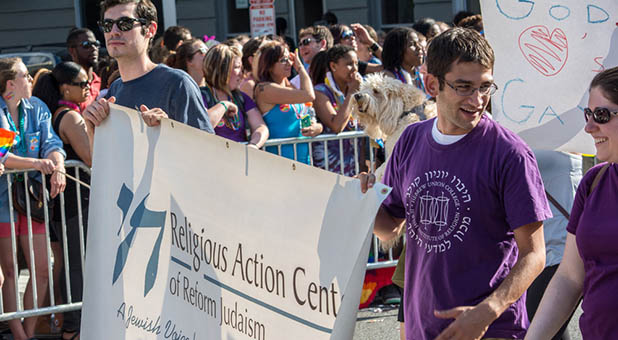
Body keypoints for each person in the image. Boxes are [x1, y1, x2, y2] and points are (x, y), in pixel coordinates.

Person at [358, 27, 551, 340]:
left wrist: (488, 310)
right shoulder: (410, 140)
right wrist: (364, 202)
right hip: (424, 328)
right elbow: (390, 226)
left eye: (485, 87)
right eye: (464, 87)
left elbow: (534, 255)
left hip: (492, 329)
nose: (478, 100)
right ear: (433, 83)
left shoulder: (510, 153)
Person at [525, 66, 618, 340]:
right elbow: (569, 278)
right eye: (587, 114)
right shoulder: (594, 182)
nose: (589, 127)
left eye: (601, 115)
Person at [83, 0, 214, 146]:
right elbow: (108, 162)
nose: (114, 31)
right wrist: (92, 130)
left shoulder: (177, 83)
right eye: (107, 25)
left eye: (125, 23)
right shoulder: (115, 89)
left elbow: (205, 151)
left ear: (150, 29)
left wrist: (168, 131)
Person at [0, 57, 66, 340]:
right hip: (3, 200)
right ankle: (19, 334)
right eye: (26, 75)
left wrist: (58, 165)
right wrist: (37, 164)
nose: (31, 80)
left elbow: (52, 143)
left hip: (32, 198)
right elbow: (3, 155)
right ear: (10, 84)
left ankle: (27, 333)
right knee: (10, 272)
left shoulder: (37, 107)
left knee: (41, 269)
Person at [32, 61, 91, 340]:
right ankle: (72, 327)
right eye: (82, 83)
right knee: (77, 265)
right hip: (76, 201)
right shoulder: (69, 117)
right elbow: (91, 157)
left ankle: (55, 321)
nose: (88, 86)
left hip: (63, 201)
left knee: (66, 264)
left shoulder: (55, 114)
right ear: (65, 88)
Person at [524, 150, 581, 340]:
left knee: (541, 329)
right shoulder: (571, 151)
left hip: (556, 253)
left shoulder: (527, 150)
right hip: (553, 250)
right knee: (552, 329)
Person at [253, 41, 322, 164]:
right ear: (269, 65)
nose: (290, 63)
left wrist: (317, 128)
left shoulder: (291, 86)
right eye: (283, 60)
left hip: (303, 159)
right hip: (280, 162)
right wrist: (300, 67)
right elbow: (309, 95)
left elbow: (309, 114)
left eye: (290, 59)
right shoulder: (264, 88)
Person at [201, 44, 269, 148]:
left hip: (240, 159)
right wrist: (224, 105)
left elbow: (260, 127)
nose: (242, 74)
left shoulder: (241, 98)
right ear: (222, 69)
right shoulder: (201, 96)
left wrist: (253, 145)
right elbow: (204, 124)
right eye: (237, 67)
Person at [310, 45, 361, 175]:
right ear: (333, 66)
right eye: (349, 64)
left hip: (353, 165)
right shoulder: (320, 91)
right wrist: (351, 93)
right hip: (329, 167)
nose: (354, 69)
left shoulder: (357, 90)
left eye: (356, 63)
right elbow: (336, 126)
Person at [66, 28, 101, 111]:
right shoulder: (68, 87)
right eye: (86, 45)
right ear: (72, 51)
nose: (93, 48)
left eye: (96, 44)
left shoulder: (102, 82)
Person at [382, 27, 426, 92]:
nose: (419, 47)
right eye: (412, 44)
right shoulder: (389, 78)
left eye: (418, 43)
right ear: (398, 51)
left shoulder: (424, 73)